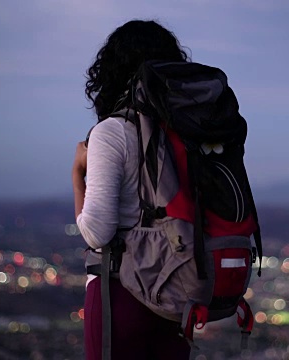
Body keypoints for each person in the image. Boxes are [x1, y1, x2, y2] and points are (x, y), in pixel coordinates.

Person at [72, 20, 192, 360]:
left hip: (120, 295)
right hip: (175, 296)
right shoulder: (182, 134)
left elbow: (97, 232)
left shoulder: (113, 131)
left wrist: (76, 173)